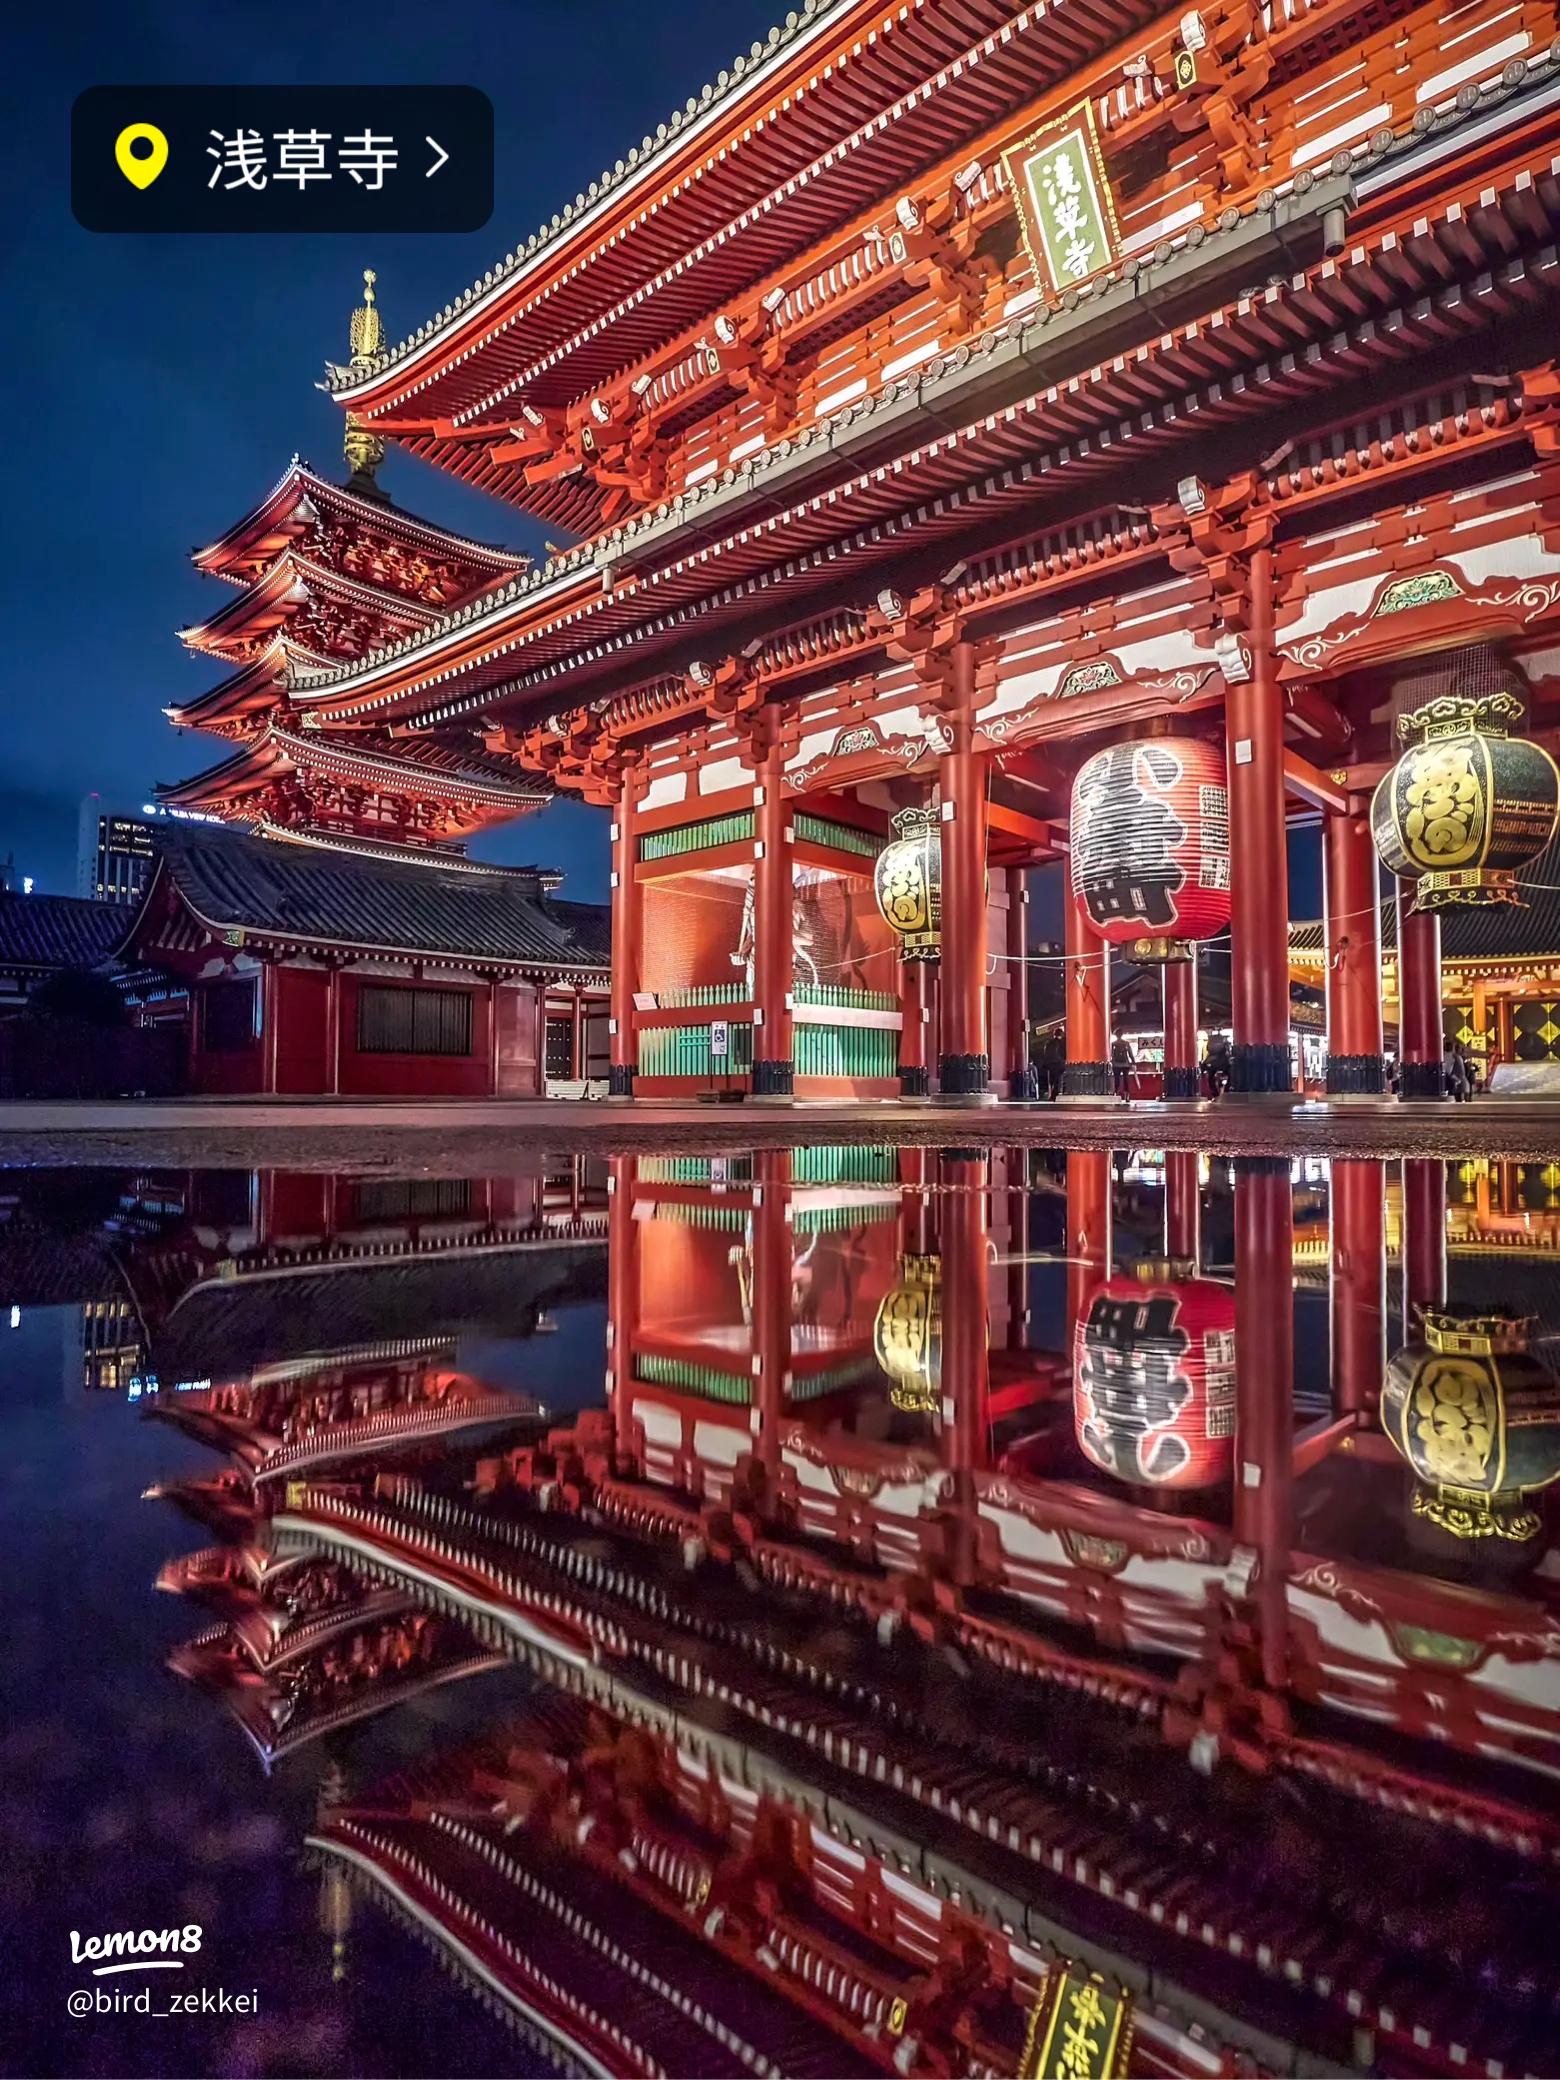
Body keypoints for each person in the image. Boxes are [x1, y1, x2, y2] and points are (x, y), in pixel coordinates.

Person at [1202, 1031, 1231, 1098]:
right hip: (1224, 1064)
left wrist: (1203, 1069)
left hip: (1212, 1064)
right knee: (1231, 1076)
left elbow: (1205, 1063)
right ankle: (1227, 1091)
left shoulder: (1210, 1054)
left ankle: (1215, 1094)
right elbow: (1228, 1053)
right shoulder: (1224, 1047)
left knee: (1210, 1078)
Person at [1110, 1032, 1135, 1099]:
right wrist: (1133, 1062)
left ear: (1116, 1035)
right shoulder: (1126, 1043)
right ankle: (1127, 1094)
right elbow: (1130, 1053)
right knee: (1126, 1079)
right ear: (1122, 1035)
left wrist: (1112, 1062)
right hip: (1125, 1064)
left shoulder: (1113, 1044)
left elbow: (1111, 1054)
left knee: (1116, 1078)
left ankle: (1116, 1092)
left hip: (1116, 1064)